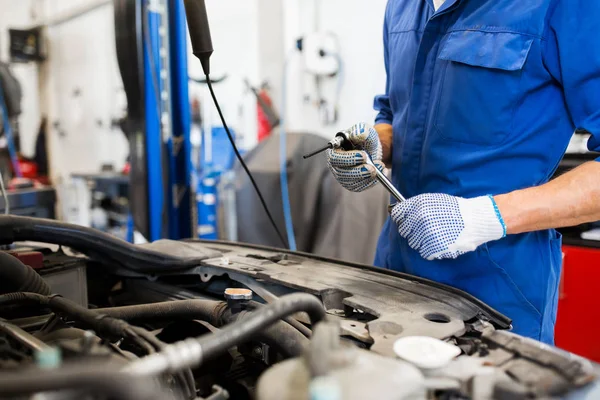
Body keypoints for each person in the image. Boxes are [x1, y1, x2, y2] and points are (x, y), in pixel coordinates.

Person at [325, 0, 600, 345]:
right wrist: (373, 147)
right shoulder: (402, 6)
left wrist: (481, 218)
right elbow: (397, 112)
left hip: (497, 293)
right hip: (394, 278)